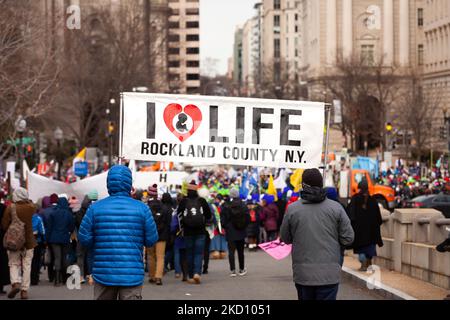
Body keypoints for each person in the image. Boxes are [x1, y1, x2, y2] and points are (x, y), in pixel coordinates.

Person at [78, 165, 158, 300]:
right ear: (129, 183)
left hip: (103, 271)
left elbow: (84, 238)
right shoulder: (142, 208)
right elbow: (151, 240)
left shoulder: (95, 208)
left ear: (108, 183)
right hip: (131, 272)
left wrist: (100, 243)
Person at [280, 169, 354, 301]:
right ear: (321, 184)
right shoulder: (336, 208)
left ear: (303, 185)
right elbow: (348, 238)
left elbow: (285, 238)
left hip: (303, 275)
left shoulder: (292, 209)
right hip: (329, 274)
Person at [1, 188, 37, 300]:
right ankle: (24, 291)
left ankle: (15, 283)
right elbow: (31, 204)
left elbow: (4, 224)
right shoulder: (32, 207)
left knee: (13, 264)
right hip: (29, 241)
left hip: (14, 241)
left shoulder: (11, 207)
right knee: (27, 266)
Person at [176, 181, 211, 284]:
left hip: (188, 232)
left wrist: (182, 227)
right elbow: (209, 216)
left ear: (187, 190)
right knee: (199, 253)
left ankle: (191, 275)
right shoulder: (202, 201)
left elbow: (179, 215)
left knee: (189, 253)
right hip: (201, 231)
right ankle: (197, 273)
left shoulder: (184, 201)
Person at [346, 180, 384, 271]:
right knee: (370, 248)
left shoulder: (355, 199)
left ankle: (363, 264)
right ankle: (368, 262)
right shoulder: (373, 201)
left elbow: (349, 214)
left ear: (359, 188)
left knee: (361, 249)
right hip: (371, 232)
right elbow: (379, 218)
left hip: (359, 231)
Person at [146, 185, 172, 286]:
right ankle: (158, 277)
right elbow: (167, 223)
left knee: (150, 256)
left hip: (150, 235)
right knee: (160, 257)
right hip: (162, 236)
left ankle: (152, 276)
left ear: (148, 194)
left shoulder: (146, 207)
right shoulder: (164, 207)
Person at [220, 188, 250, 277]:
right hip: (241, 231)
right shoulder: (243, 205)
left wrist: (225, 226)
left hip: (230, 231)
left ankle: (232, 270)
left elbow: (223, 219)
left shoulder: (226, 205)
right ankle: (241, 269)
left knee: (231, 251)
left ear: (230, 195)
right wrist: (244, 226)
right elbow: (248, 218)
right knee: (241, 252)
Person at [47, 197, 75, 286]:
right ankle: (64, 278)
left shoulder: (53, 213)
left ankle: (57, 278)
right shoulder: (69, 214)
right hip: (65, 238)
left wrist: (47, 239)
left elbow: (49, 228)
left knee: (57, 257)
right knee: (64, 258)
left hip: (54, 238)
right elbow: (72, 227)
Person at [75, 190, 98, 284]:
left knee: (80, 256)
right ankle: (91, 275)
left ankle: (80, 276)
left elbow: (77, 224)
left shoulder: (79, 212)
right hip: (92, 236)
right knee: (90, 256)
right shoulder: (95, 210)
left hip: (81, 237)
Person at [30, 211, 46, 285]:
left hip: (26, 241)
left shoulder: (24, 217)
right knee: (36, 260)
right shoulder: (38, 218)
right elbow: (42, 231)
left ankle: (26, 278)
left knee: (27, 260)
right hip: (37, 241)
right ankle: (34, 279)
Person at [0, 200, 10, 294]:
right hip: (1, 238)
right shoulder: (3, 208)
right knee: (2, 262)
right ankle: (1, 286)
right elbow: (6, 223)